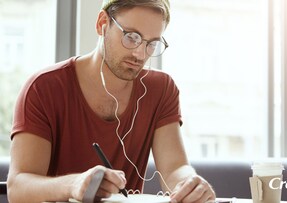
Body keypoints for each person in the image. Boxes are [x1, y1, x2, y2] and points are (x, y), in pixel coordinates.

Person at [7, 0, 216, 202]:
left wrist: (189, 184)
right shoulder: (43, 88)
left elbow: (174, 170)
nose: (140, 54)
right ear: (102, 24)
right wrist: (73, 185)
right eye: (132, 37)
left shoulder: (161, 89)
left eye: (152, 44)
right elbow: (17, 188)